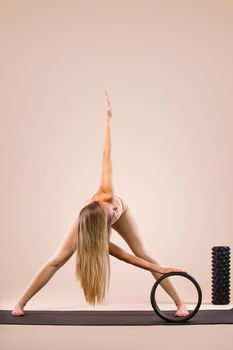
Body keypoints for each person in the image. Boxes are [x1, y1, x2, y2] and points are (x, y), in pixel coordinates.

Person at [12, 91, 189, 317]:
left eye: (110, 209)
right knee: (57, 259)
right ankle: (21, 302)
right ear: (102, 229)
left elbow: (106, 154)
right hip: (90, 230)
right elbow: (125, 257)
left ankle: (179, 303)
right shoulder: (93, 234)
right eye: (111, 215)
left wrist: (107, 120)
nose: (113, 210)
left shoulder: (106, 194)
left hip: (109, 212)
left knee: (145, 252)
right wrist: (158, 269)